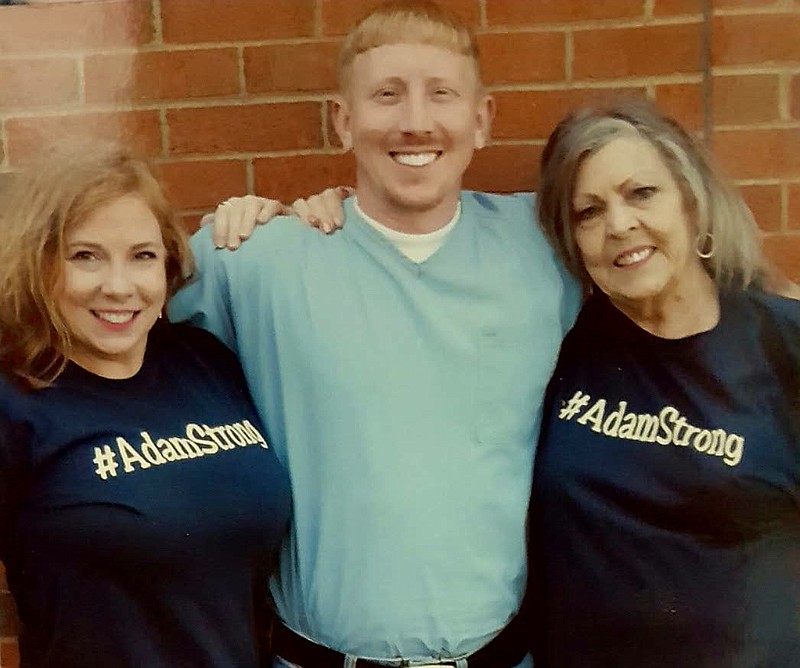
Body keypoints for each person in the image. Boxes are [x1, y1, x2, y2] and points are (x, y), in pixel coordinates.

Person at [170, 2, 580, 666]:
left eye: (441, 95)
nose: (415, 121)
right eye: (386, 96)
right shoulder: (254, 259)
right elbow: (103, 316)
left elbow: (674, 278)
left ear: (481, 120)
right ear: (343, 120)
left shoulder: (549, 247)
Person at [528, 98, 800, 667]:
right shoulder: (555, 343)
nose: (620, 224)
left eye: (642, 193)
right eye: (588, 212)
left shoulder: (783, 342)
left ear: (691, 202)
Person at [0, 146, 292, 668]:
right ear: (38, 264)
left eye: (142, 255)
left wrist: (292, 227)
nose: (119, 286)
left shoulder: (206, 361)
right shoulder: (16, 399)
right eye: (84, 255)